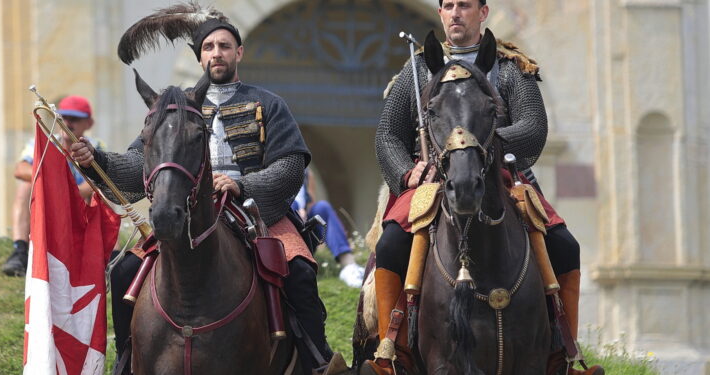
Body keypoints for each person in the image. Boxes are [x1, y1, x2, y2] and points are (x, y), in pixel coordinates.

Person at [70, 8, 333, 373]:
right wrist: (92, 158)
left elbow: (289, 166)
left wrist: (242, 184)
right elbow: (140, 163)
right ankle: (126, 360)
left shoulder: (268, 103)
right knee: (124, 269)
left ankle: (316, 360)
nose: (216, 52)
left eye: (225, 45)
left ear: (239, 52)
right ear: (199, 57)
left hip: (256, 210)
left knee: (300, 270)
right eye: (208, 46)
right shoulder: (173, 108)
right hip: (186, 210)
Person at [364, 1, 604, 375]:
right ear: (441, 14)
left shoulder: (510, 68)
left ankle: (565, 355)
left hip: (503, 177)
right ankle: (391, 351)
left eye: (464, 5)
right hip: (431, 179)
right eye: (448, 6)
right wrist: (407, 172)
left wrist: (479, 148)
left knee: (564, 245)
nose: (455, 13)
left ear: (483, 12)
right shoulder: (417, 69)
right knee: (392, 243)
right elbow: (389, 136)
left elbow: (532, 128)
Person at [2, 95, 105, 276]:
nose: (68, 123)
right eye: (64, 117)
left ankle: (111, 254)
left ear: (89, 123)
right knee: (25, 188)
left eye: (75, 119)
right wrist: (55, 181)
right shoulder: (43, 142)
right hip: (50, 203)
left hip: (80, 205)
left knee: (103, 196)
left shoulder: (96, 146)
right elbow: (20, 169)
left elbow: (102, 181)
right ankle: (19, 250)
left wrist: (70, 191)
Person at [292, 168, 365, 288]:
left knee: (322, 207)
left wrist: (303, 213)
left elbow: (310, 204)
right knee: (292, 206)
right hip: (285, 236)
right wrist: (293, 211)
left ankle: (349, 266)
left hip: (304, 232)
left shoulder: (306, 172)